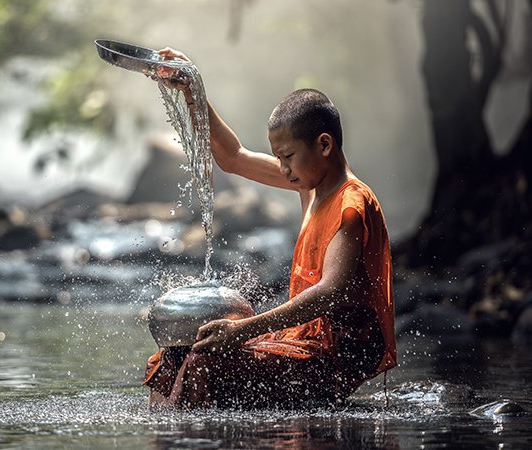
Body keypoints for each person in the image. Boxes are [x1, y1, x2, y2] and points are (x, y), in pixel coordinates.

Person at [143, 47, 397, 410]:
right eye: (278, 158)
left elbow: (331, 291)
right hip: (300, 340)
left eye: (288, 157)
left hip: (334, 358)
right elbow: (233, 158)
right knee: (170, 358)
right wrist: (193, 91)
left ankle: (190, 437)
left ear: (324, 145)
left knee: (202, 365)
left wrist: (243, 330)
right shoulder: (308, 185)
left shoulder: (351, 204)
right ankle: (171, 435)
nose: (283, 168)